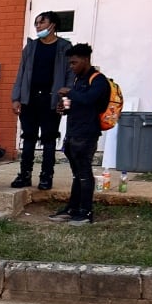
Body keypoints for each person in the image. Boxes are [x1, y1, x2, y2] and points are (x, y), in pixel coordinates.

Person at [9, 11, 73, 191]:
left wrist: (66, 101)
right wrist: (16, 98)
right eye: (36, 23)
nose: (37, 26)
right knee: (28, 137)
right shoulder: (30, 47)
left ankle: (46, 176)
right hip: (29, 99)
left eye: (41, 23)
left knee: (49, 138)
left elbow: (70, 77)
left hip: (52, 100)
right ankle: (24, 174)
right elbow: (21, 73)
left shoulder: (65, 48)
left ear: (52, 25)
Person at [49, 44, 111, 226]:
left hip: (87, 134)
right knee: (77, 174)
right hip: (73, 132)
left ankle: (86, 212)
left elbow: (89, 100)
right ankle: (72, 209)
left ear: (85, 60)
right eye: (70, 63)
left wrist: (70, 92)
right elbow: (77, 104)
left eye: (74, 62)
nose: (71, 66)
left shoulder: (98, 80)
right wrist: (64, 107)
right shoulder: (78, 80)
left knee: (84, 173)